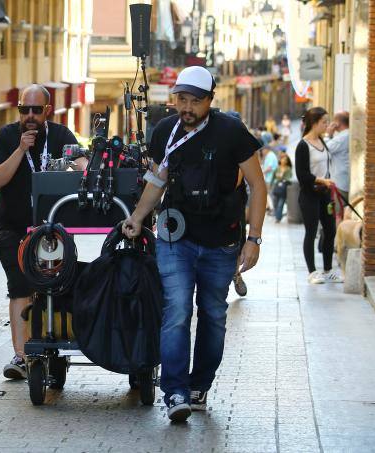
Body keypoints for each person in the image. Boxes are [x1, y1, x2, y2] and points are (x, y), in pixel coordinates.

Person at [122, 66, 267, 423]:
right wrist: (138, 217)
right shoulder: (164, 132)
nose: (186, 107)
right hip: (176, 239)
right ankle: (175, 392)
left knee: (213, 316)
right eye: (181, 99)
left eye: (194, 101)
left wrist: (254, 239)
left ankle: (199, 384)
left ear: (210, 101)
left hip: (222, 241)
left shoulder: (231, 132)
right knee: (177, 312)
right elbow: (158, 179)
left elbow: (258, 186)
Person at [0, 84, 87, 380]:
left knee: (55, 288)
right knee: (20, 290)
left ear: (47, 110)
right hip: (14, 229)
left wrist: (79, 166)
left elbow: (83, 166)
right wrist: (20, 149)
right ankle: (21, 356)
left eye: (35, 110)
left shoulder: (60, 135)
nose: (28, 116)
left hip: (53, 230)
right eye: (23, 110)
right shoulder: (8, 136)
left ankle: (51, 347)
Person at [295, 107, 343, 285]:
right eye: (324, 122)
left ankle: (328, 269)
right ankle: (312, 272)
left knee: (330, 230)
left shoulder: (323, 141)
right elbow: (302, 175)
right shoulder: (303, 145)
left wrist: (327, 182)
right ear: (314, 123)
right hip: (309, 195)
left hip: (325, 194)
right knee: (311, 231)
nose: (327, 125)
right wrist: (321, 180)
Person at [326, 111, 350, 201]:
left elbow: (324, 150)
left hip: (340, 183)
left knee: (339, 212)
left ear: (337, 123)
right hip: (345, 179)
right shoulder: (347, 135)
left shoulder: (341, 138)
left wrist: (328, 135)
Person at [271, 153, 293, 223]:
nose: (283, 160)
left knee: (281, 204)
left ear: (287, 161)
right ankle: (278, 215)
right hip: (277, 187)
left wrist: (283, 178)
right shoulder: (277, 168)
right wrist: (271, 185)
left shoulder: (288, 169)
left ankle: (278, 218)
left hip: (284, 188)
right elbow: (273, 177)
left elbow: (289, 178)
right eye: (282, 159)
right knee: (275, 203)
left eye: (285, 159)